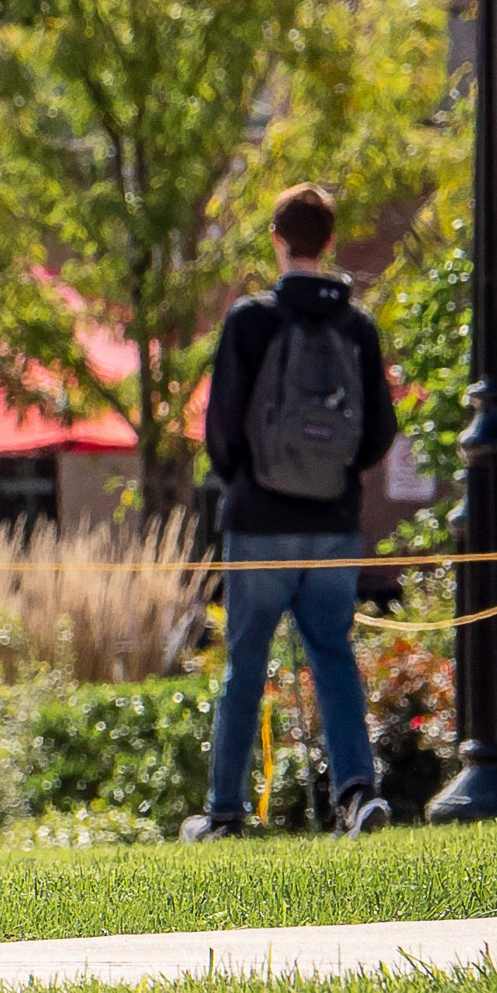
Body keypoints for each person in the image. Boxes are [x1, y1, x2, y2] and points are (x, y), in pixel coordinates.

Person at [185, 182, 398, 842]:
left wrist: (246, 481)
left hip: (257, 524)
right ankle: (358, 792)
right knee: (332, 654)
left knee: (244, 664)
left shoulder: (250, 320)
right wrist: (333, 479)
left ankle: (225, 810)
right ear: (329, 241)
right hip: (333, 523)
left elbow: (220, 425)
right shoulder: (357, 325)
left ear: (277, 240)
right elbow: (380, 430)